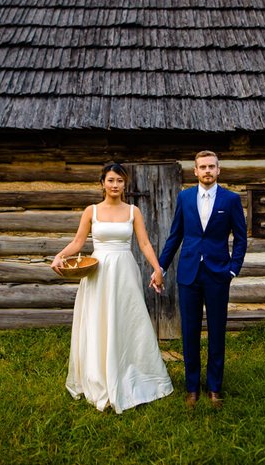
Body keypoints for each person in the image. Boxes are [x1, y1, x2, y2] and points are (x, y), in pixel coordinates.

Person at [51, 162, 173, 414]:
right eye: (110, 180)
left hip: (124, 270)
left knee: (127, 319)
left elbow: (144, 243)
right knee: (98, 320)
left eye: (119, 180)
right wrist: (59, 256)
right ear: (102, 183)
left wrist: (157, 268)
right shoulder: (91, 211)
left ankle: (129, 369)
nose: (115, 185)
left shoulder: (133, 212)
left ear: (125, 184)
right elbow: (77, 242)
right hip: (98, 271)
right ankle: (98, 375)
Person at [151, 150, 247, 409]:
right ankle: (192, 387)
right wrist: (161, 266)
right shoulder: (184, 198)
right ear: (195, 171)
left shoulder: (231, 200)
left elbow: (240, 238)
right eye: (202, 167)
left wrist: (233, 269)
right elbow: (175, 236)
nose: (207, 171)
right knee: (190, 332)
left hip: (218, 274)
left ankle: (215, 387)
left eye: (211, 167)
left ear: (218, 170)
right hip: (189, 273)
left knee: (217, 331)